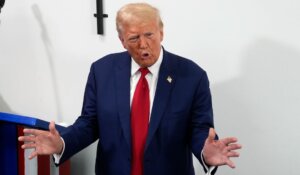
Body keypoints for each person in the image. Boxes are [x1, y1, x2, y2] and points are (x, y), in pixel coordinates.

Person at [18, 3, 241, 175]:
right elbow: (89, 123)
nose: (143, 44)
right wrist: (62, 143)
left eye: (149, 35)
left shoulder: (192, 76)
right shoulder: (102, 71)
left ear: (161, 32)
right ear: (122, 40)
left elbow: (199, 129)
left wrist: (205, 152)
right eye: (134, 38)